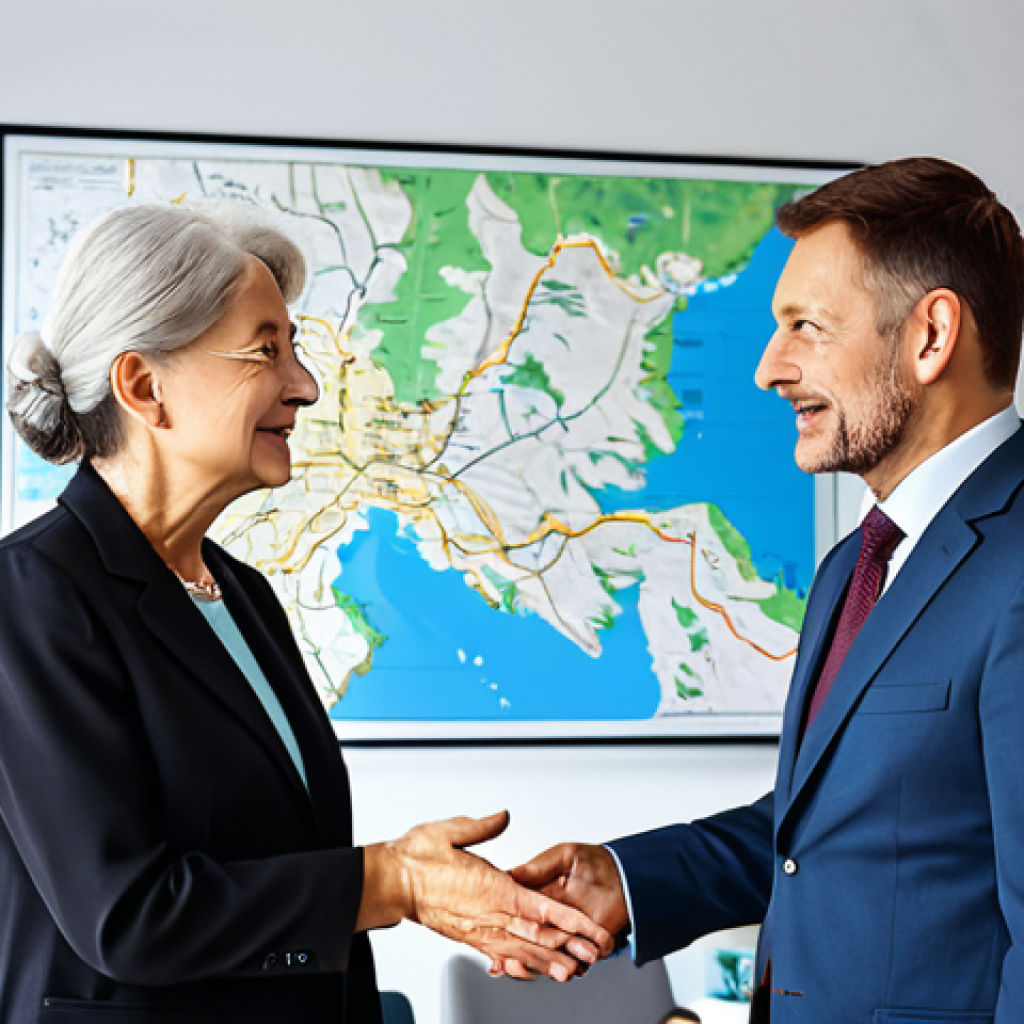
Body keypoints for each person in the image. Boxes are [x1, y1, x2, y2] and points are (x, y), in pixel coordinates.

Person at [0, 203, 611, 1024]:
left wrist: (411, 889)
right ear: (145, 387)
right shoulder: (32, 594)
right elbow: (131, 918)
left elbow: (283, 879)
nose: (306, 386)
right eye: (267, 351)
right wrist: (392, 881)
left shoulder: (240, 592)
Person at [511, 157, 1024, 1021]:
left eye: (805, 327)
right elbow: (821, 832)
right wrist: (627, 880)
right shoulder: (853, 565)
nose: (768, 368)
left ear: (931, 336)